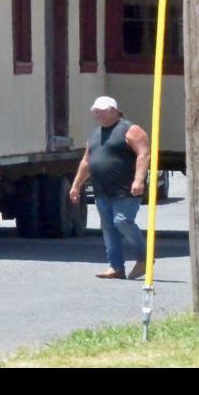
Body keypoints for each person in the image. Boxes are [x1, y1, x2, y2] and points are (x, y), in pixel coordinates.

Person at [70, 95, 151, 280]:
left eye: (103, 111)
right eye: (96, 111)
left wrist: (139, 179)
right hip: (102, 190)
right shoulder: (95, 134)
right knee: (108, 228)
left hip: (126, 189)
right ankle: (116, 267)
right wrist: (76, 185)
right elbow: (86, 161)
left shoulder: (130, 130)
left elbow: (143, 154)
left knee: (122, 221)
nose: (99, 114)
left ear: (114, 111)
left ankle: (145, 257)